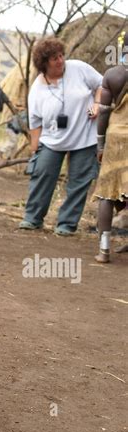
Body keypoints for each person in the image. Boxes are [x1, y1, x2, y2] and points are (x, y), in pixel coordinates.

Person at [19, 38, 103, 235]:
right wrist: (35, 150)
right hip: (51, 139)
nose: (60, 60)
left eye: (61, 55)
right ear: (44, 63)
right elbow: (36, 123)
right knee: (42, 176)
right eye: (54, 58)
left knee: (78, 182)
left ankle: (66, 224)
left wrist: (98, 103)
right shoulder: (37, 89)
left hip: (84, 136)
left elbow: (101, 84)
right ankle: (33, 218)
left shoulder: (79, 68)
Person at [93, 37, 127, 263]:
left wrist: (100, 144)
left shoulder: (113, 75)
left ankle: (104, 250)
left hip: (115, 138)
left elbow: (103, 112)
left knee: (107, 193)